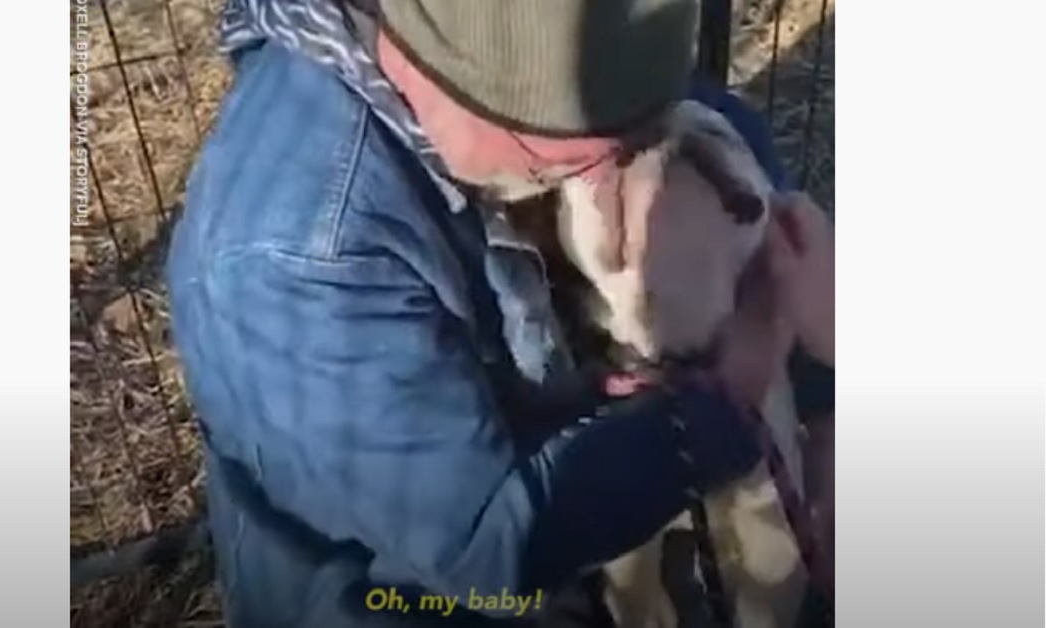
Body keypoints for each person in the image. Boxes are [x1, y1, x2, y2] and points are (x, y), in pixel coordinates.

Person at [164, 1, 835, 626]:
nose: (621, 170)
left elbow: (716, 149)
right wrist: (729, 396)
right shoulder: (299, 255)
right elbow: (491, 553)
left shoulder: (559, 51)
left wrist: (819, 384)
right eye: (578, 159)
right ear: (441, 77)